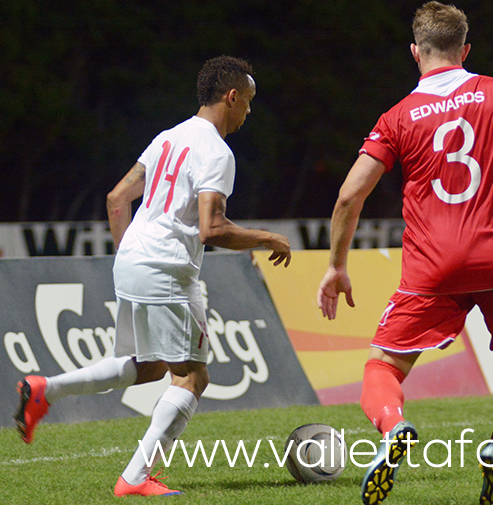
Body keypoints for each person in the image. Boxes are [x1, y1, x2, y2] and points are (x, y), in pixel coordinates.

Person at [316, 2, 493, 505]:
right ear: (466, 50)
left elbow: (349, 195)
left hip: (432, 267)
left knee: (383, 364)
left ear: (415, 52)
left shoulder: (396, 116)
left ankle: (393, 429)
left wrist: (337, 265)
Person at [15, 55, 291, 497]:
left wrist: (131, 252)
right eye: (249, 103)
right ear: (232, 97)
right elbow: (212, 229)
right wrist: (268, 238)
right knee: (192, 377)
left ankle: (46, 390)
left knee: (148, 367)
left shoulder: (167, 138)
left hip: (131, 262)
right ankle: (136, 477)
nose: (249, 113)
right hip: (165, 269)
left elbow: (116, 198)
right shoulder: (217, 151)